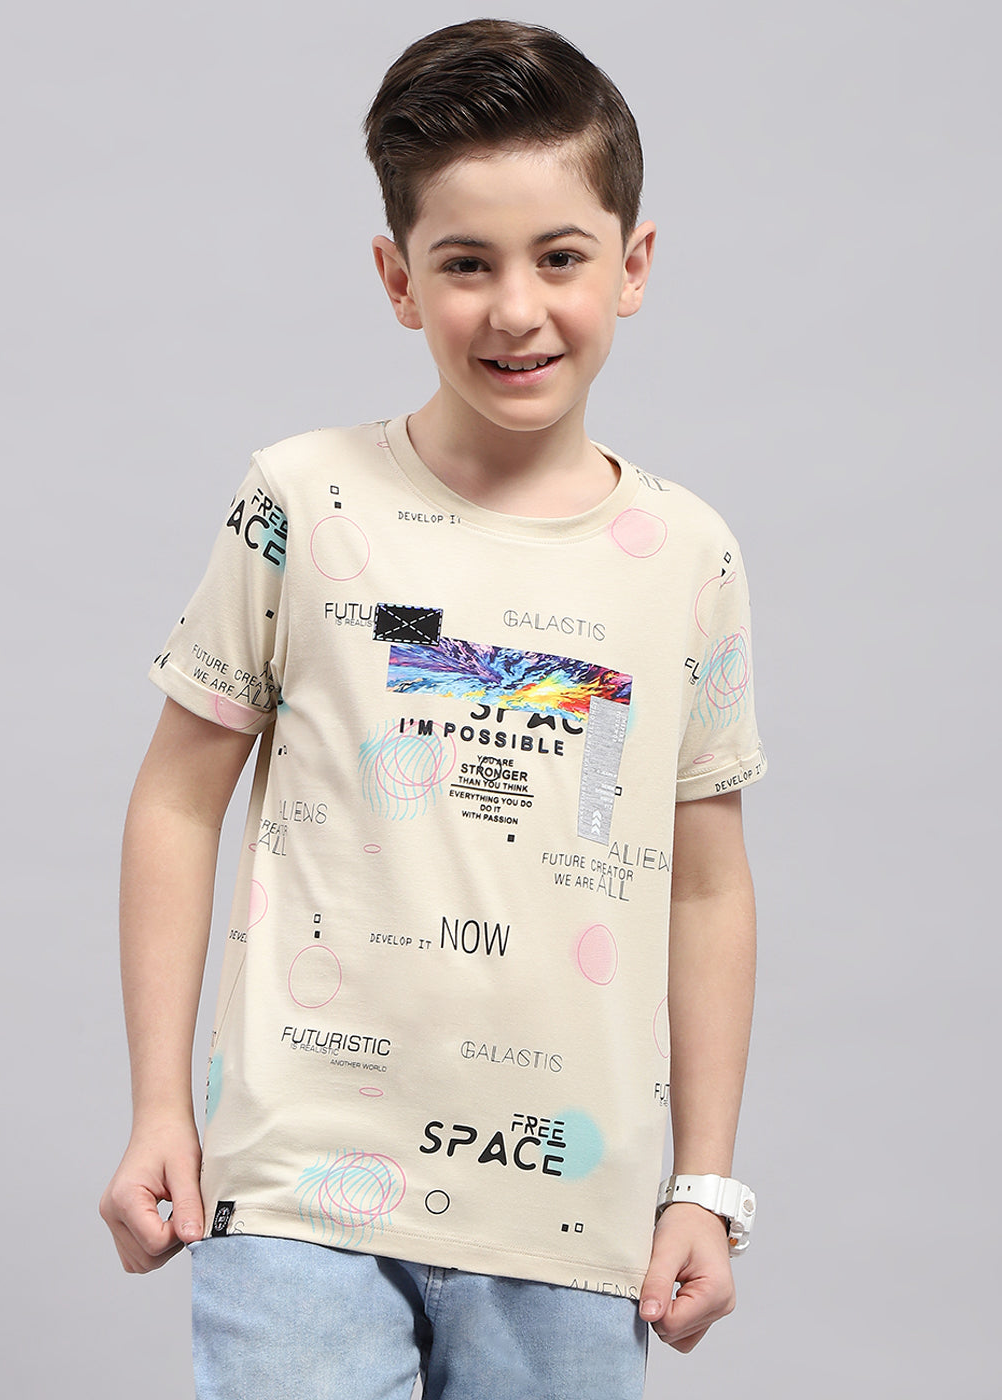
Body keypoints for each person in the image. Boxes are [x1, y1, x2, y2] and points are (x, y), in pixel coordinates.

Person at [100, 18, 765, 1399]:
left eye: (560, 258)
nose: (515, 309)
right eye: (467, 264)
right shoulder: (302, 503)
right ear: (399, 280)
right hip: (298, 1190)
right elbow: (176, 798)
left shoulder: (689, 559)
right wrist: (160, 1104)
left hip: (567, 1214)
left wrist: (705, 1182)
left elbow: (707, 884)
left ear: (633, 265)